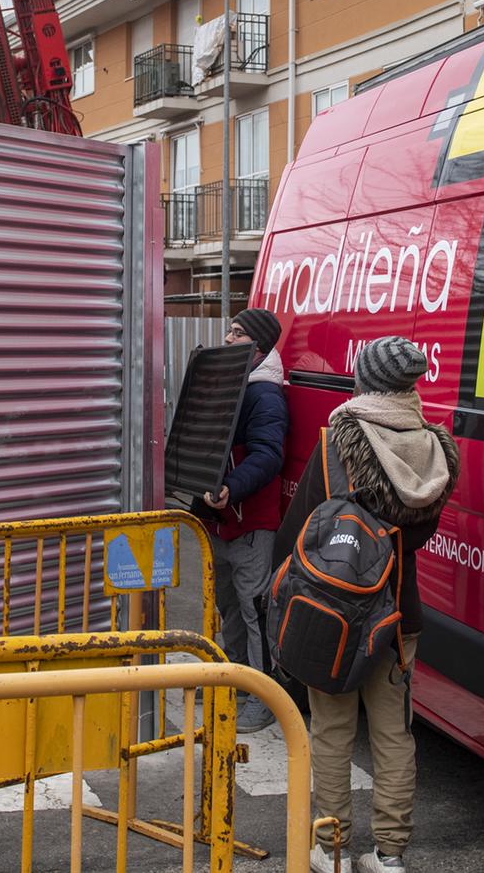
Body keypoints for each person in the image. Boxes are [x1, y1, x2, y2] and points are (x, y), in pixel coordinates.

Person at [273, 336, 458, 873]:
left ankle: (330, 850)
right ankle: (389, 854)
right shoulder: (434, 449)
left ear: (364, 380)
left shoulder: (340, 441)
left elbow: (303, 529)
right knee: (394, 733)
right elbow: (418, 536)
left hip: (335, 613)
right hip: (399, 615)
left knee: (331, 730)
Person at [202, 306, 290, 734]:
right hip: (221, 520)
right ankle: (236, 678)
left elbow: (268, 455)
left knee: (256, 609)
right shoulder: (234, 384)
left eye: (237, 333)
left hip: (250, 522)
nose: (228, 339)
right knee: (228, 605)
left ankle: (264, 695)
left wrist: (232, 488)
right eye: (230, 331)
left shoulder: (264, 394)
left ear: (259, 346)